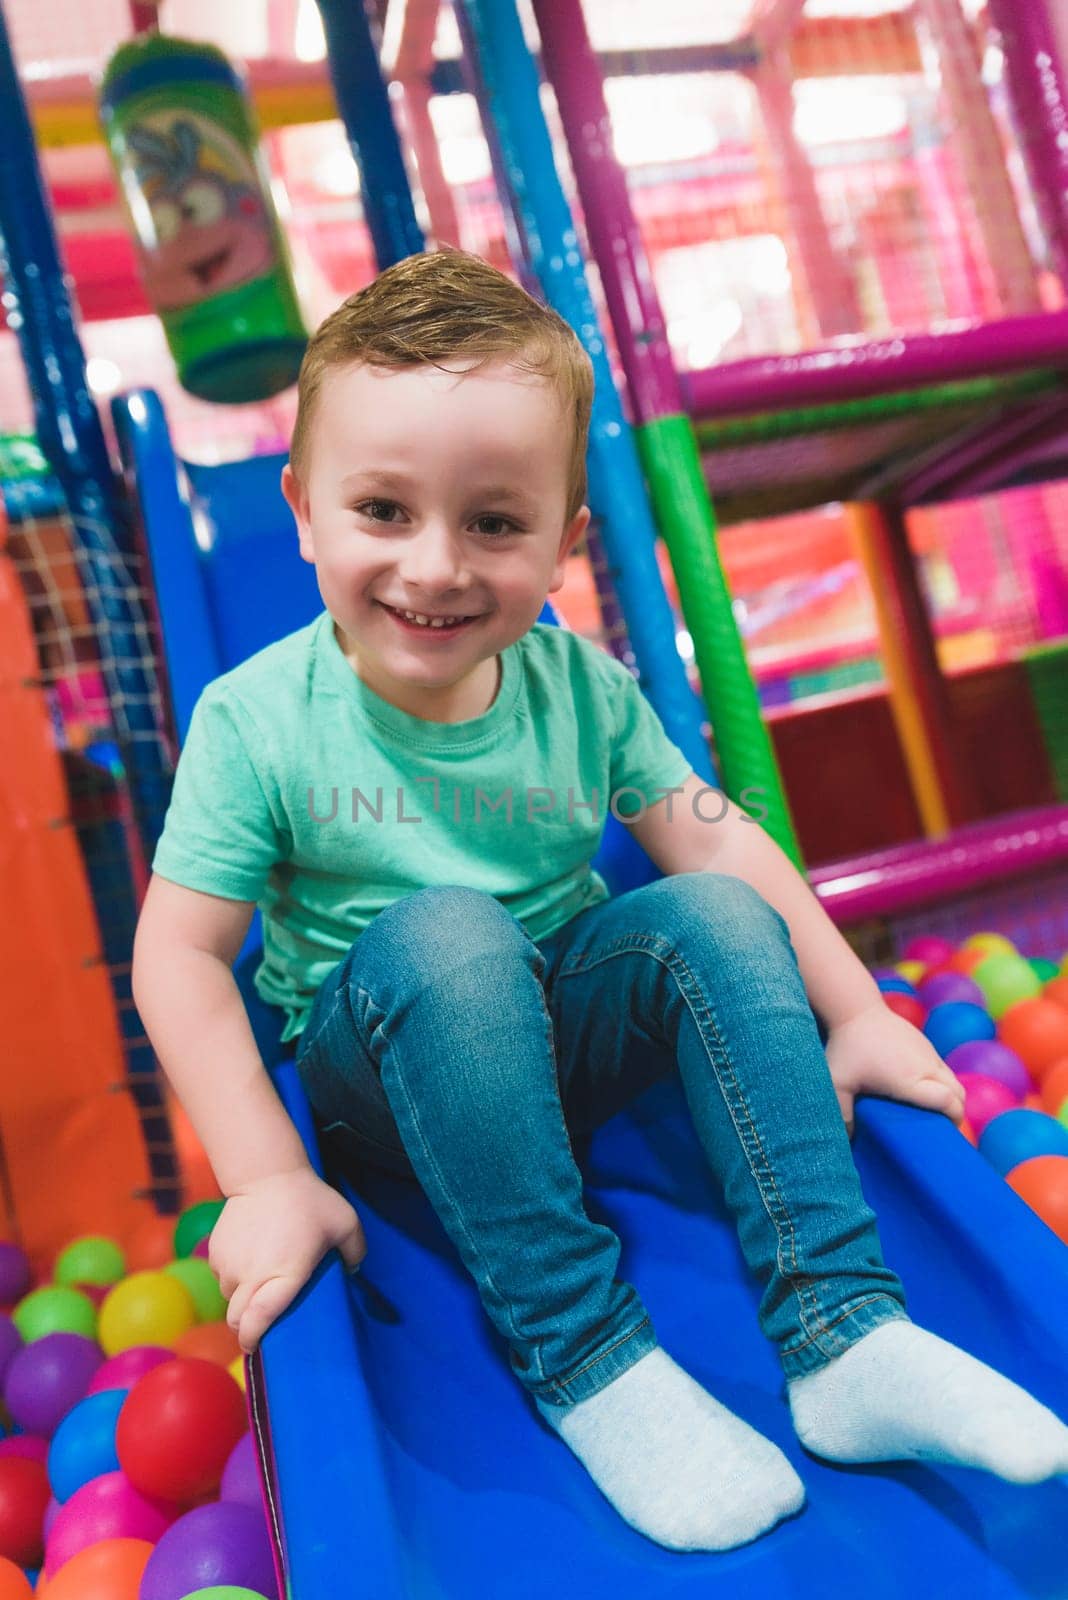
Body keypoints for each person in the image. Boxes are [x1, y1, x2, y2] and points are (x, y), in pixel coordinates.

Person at [132, 249, 1068, 1555]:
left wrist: (853, 1014)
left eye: (496, 523)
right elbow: (178, 952)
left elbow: (719, 846)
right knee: (451, 936)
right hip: (386, 1078)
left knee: (711, 921)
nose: (436, 567)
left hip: (554, 1041)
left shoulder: (581, 691)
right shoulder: (259, 722)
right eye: (384, 512)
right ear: (302, 510)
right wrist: (271, 1179)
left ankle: (848, 1330)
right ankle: (588, 1359)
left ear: (566, 543)